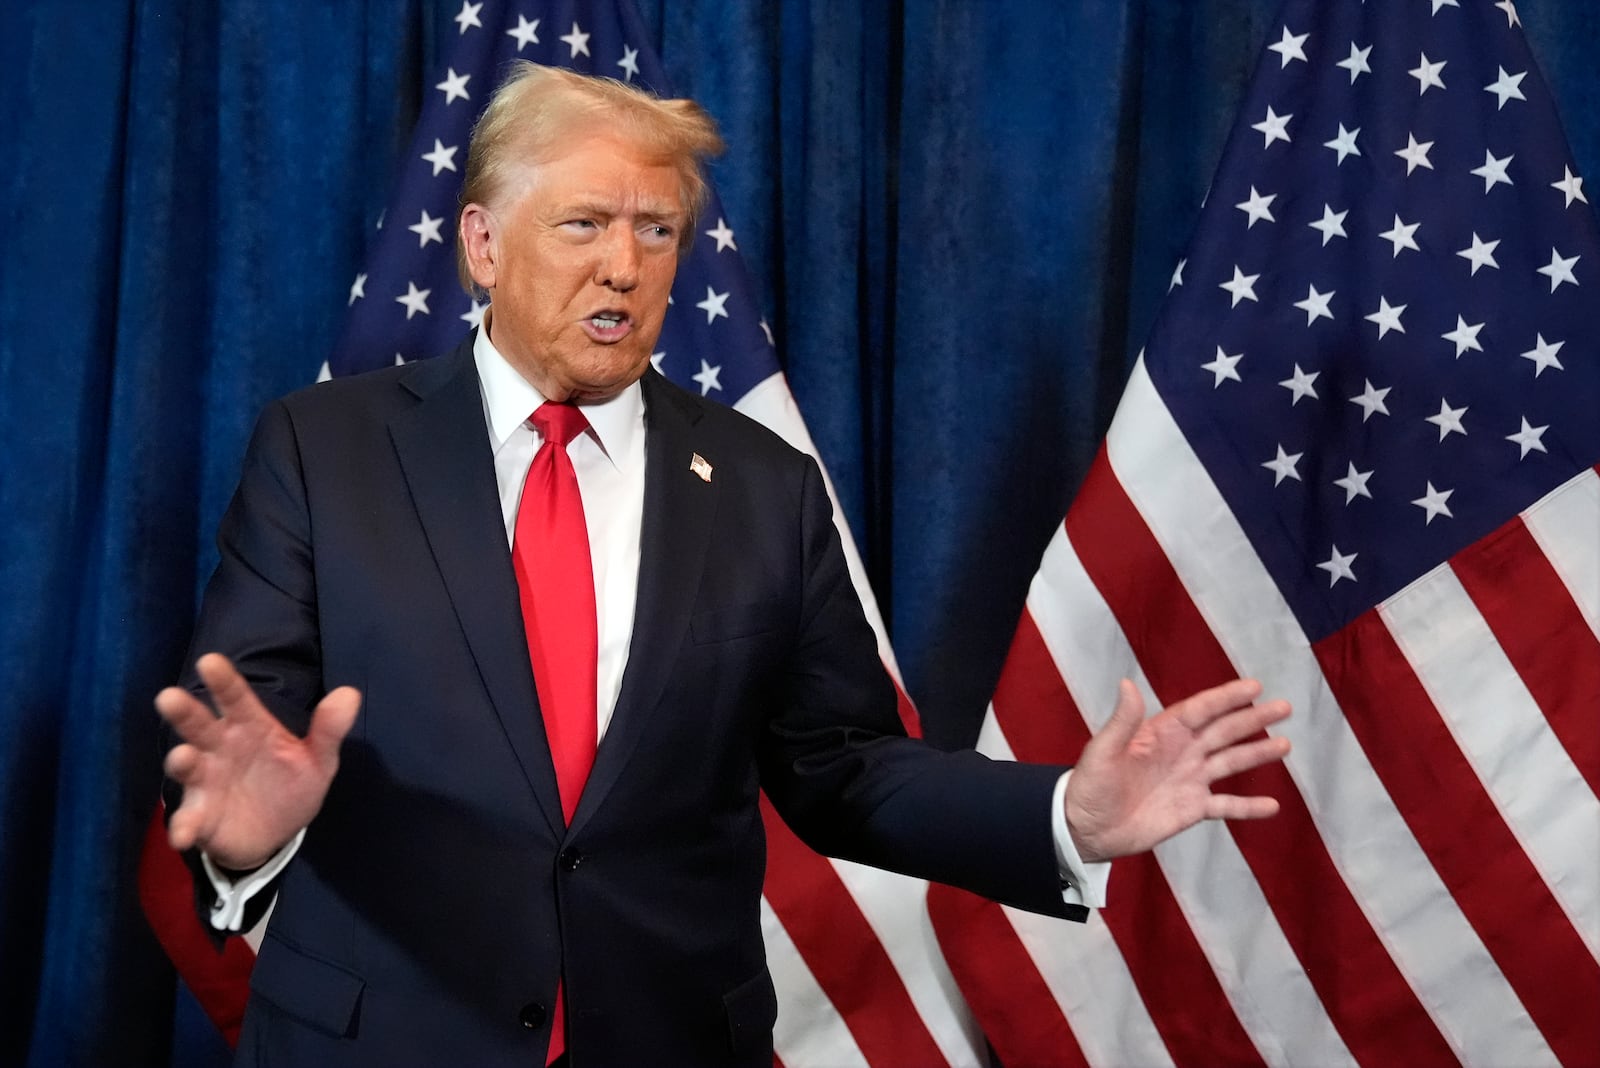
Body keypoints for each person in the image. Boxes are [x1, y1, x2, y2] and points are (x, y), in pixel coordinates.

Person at [156, 63, 1291, 1067]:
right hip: (383, 1041)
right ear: (482, 244)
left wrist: (1066, 818)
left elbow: (844, 766)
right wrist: (254, 842)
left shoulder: (761, 484)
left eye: (657, 231)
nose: (624, 266)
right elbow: (244, 734)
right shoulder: (324, 449)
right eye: (585, 223)